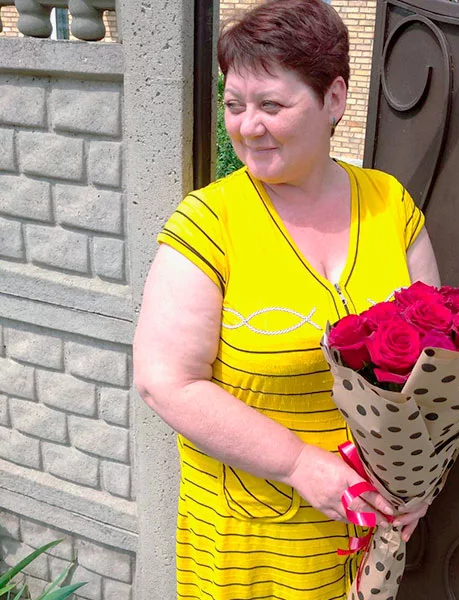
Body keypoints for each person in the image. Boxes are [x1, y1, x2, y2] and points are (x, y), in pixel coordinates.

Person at [133, 0, 441, 598]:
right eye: (234, 105)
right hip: (252, 544)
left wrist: (420, 476)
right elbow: (165, 381)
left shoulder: (389, 204)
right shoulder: (210, 222)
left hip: (368, 537)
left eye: (271, 105)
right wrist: (298, 463)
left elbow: (438, 363)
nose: (248, 126)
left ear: (334, 99)